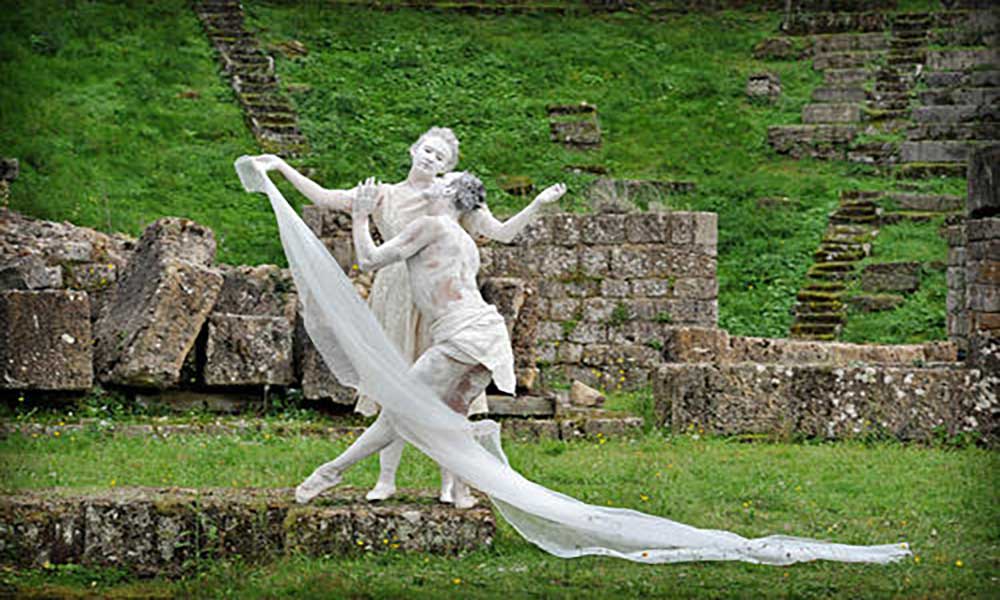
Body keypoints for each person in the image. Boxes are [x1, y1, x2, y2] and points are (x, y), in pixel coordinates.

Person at [256, 127, 561, 503]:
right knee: (443, 409)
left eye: (444, 165)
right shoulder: (448, 230)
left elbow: (368, 259)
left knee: (405, 405)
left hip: (459, 331)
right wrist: (283, 167)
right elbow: (327, 198)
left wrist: (360, 218)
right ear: (414, 149)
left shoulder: (438, 224)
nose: (434, 167)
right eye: (428, 152)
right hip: (475, 330)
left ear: (448, 187)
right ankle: (450, 489)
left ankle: (333, 472)